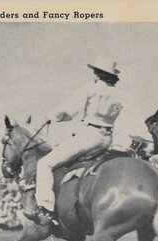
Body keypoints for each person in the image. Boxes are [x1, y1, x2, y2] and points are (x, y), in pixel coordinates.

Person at [32, 56, 130, 224]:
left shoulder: (90, 89)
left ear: (98, 74)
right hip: (107, 138)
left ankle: (46, 209)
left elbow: (68, 110)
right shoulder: (121, 94)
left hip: (89, 136)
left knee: (45, 164)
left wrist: (51, 117)